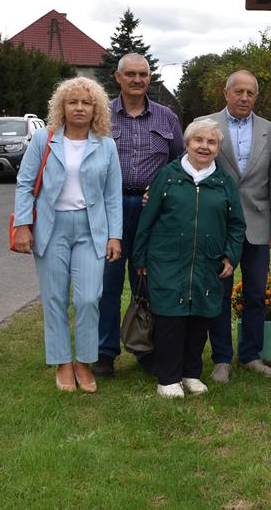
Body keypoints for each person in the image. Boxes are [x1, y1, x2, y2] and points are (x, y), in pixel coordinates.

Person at [13, 77, 122, 393]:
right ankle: (62, 362)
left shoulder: (106, 145)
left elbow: (112, 194)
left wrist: (114, 236)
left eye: (86, 103)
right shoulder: (44, 140)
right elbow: (24, 182)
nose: (79, 108)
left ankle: (84, 363)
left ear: (95, 108)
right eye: (72, 102)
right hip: (51, 227)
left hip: (91, 230)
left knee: (89, 298)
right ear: (61, 106)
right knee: (55, 298)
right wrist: (23, 225)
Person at [133, 119, 246, 398]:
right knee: (171, 318)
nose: (204, 147)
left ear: (218, 149)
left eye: (211, 142)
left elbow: (236, 225)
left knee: (200, 317)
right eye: (199, 141)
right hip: (168, 260)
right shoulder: (168, 176)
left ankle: (191, 373)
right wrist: (141, 258)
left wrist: (231, 256)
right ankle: (168, 377)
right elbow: (148, 219)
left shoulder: (224, 183)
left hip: (208, 262)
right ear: (187, 143)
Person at [94, 53, 184, 378]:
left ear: (150, 77)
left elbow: (179, 165)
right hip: (110, 210)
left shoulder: (167, 118)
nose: (137, 79)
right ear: (118, 78)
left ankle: (145, 350)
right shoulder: (100, 117)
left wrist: (163, 191)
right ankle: (104, 353)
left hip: (152, 213)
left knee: (146, 283)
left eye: (143, 74)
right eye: (130, 74)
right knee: (108, 283)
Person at [198, 70, 271, 382]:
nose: (244, 98)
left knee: (256, 293)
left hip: (258, 223)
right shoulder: (206, 126)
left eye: (250, 93)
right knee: (219, 292)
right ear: (226, 92)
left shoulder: (270, 131)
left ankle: (251, 355)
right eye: (239, 92)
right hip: (218, 225)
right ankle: (221, 359)